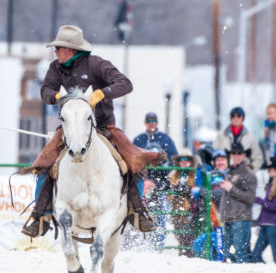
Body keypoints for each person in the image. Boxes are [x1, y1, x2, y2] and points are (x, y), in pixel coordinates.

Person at [23, 24, 163, 238]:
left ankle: (139, 211)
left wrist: (102, 93)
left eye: (58, 48)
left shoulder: (97, 64)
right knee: (43, 163)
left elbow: (125, 84)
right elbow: (45, 91)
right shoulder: (55, 68)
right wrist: (56, 97)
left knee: (133, 161)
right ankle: (39, 214)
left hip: (104, 126)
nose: (55, 51)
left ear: (69, 50)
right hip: (70, 127)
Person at [133, 111, 179, 235]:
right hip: (142, 178)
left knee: (159, 211)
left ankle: (159, 240)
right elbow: (132, 158)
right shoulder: (139, 139)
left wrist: (162, 171)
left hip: (161, 180)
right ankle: (139, 237)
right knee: (140, 208)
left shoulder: (165, 139)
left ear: (157, 122)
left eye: (153, 121)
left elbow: (174, 158)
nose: (151, 123)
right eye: (148, 121)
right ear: (145, 122)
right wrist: (144, 176)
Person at [219, 142, 257, 263]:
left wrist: (232, 189)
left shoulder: (248, 174)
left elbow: (250, 198)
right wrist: (223, 215)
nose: (236, 155)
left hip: (240, 219)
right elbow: (226, 197)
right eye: (233, 153)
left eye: (239, 153)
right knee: (228, 254)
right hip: (230, 218)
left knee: (240, 253)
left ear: (244, 155)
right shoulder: (230, 173)